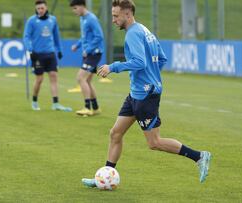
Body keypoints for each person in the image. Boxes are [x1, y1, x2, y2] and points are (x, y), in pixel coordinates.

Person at [82, 0, 212, 187]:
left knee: (154, 142)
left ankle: (199, 156)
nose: (113, 20)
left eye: (116, 16)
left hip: (145, 96)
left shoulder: (133, 34)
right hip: (137, 93)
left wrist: (113, 66)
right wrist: (151, 77)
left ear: (127, 14)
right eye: (112, 16)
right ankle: (104, 177)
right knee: (115, 133)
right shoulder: (144, 30)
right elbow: (162, 58)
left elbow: (140, 62)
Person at [23, 0, 72, 112]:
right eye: (38, 8)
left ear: (46, 8)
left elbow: (56, 36)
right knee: (39, 79)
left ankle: (55, 103)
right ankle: (35, 101)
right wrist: (30, 49)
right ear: (36, 9)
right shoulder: (31, 21)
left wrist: (59, 50)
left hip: (50, 53)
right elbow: (26, 37)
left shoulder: (52, 20)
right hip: (37, 54)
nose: (40, 10)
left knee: (54, 76)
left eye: (42, 8)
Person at [69, 0, 104, 116]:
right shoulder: (82, 18)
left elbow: (99, 37)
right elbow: (85, 37)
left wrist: (88, 50)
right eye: (72, 9)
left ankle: (87, 107)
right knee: (87, 80)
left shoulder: (91, 19)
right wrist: (77, 45)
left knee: (80, 78)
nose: (74, 11)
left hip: (94, 54)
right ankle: (96, 107)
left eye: (75, 8)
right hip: (89, 53)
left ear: (82, 6)